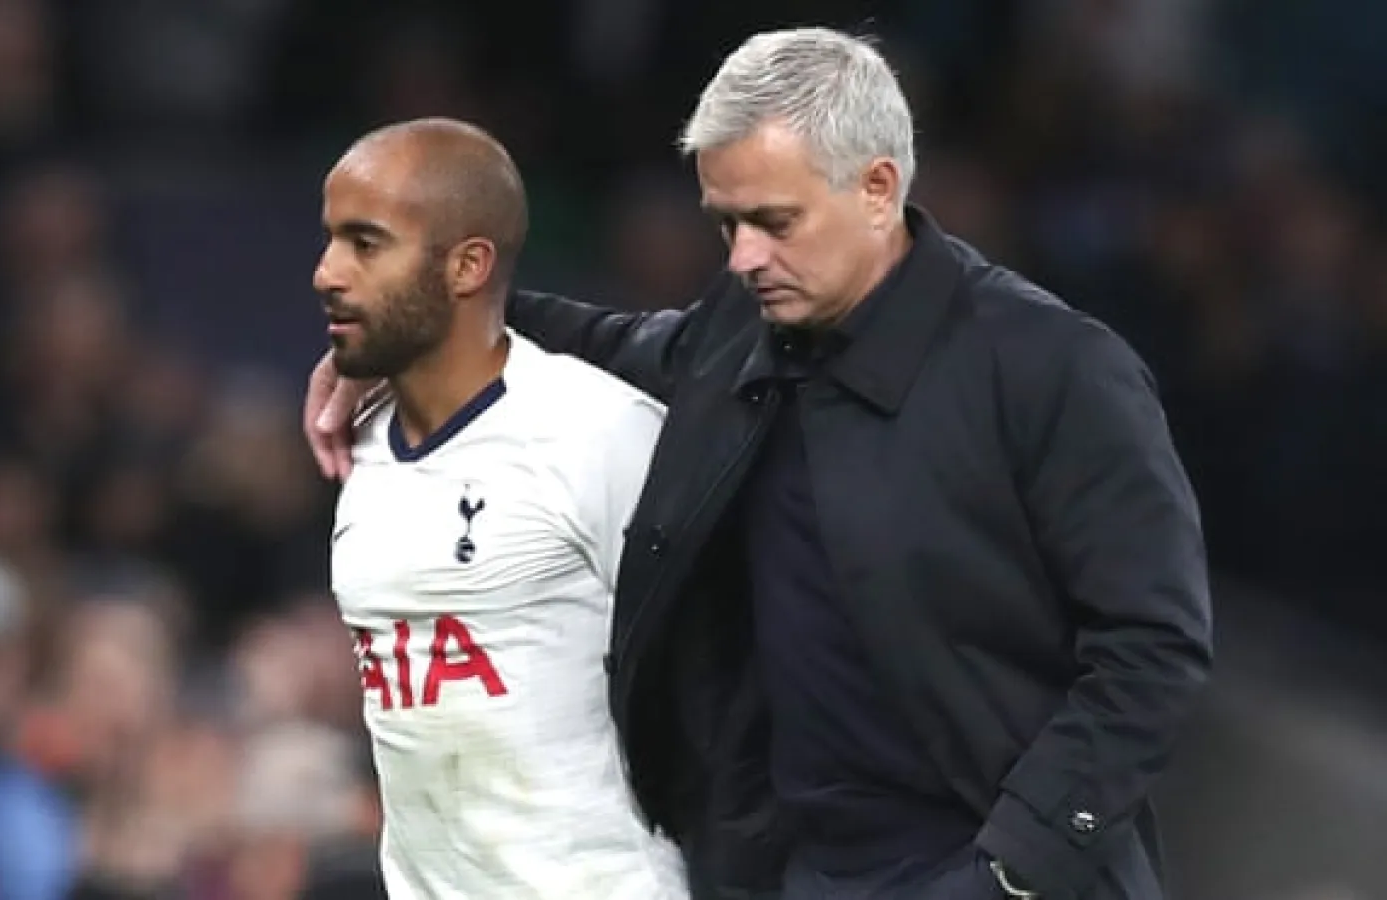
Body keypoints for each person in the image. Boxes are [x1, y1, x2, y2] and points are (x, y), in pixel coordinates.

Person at [306, 30, 1213, 900]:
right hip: (794, 871)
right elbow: (617, 342)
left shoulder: (1055, 368)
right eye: (726, 222)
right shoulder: (745, 329)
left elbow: (1150, 651)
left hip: (988, 867)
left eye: (774, 222)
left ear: (877, 187)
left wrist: (1014, 868)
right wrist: (415, 341)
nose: (743, 257)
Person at [314, 118, 686, 899]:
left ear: (467, 265)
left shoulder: (600, 435)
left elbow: (723, 693)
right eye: (331, 241)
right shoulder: (364, 450)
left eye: (365, 243)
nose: (326, 272)